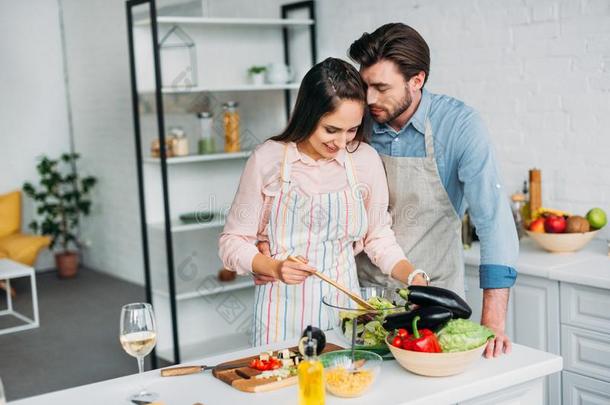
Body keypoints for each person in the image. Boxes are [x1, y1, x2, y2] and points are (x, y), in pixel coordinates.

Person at [219, 58, 424, 347]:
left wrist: (412, 275)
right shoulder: (268, 159)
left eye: (351, 130)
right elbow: (232, 242)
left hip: (344, 314)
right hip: (280, 318)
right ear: (308, 115)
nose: (341, 143)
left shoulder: (364, 161)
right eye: (331, 129)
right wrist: (273, 267)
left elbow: (378, 236)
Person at [348, 23, 519, 358]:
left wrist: (492, 322)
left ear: (417, 80)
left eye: (382, 88)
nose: (369, 99)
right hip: (362, 299)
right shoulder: (355, 120)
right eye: (364, 85)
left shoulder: (458, 126)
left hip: (435, 303)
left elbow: (493, 220)